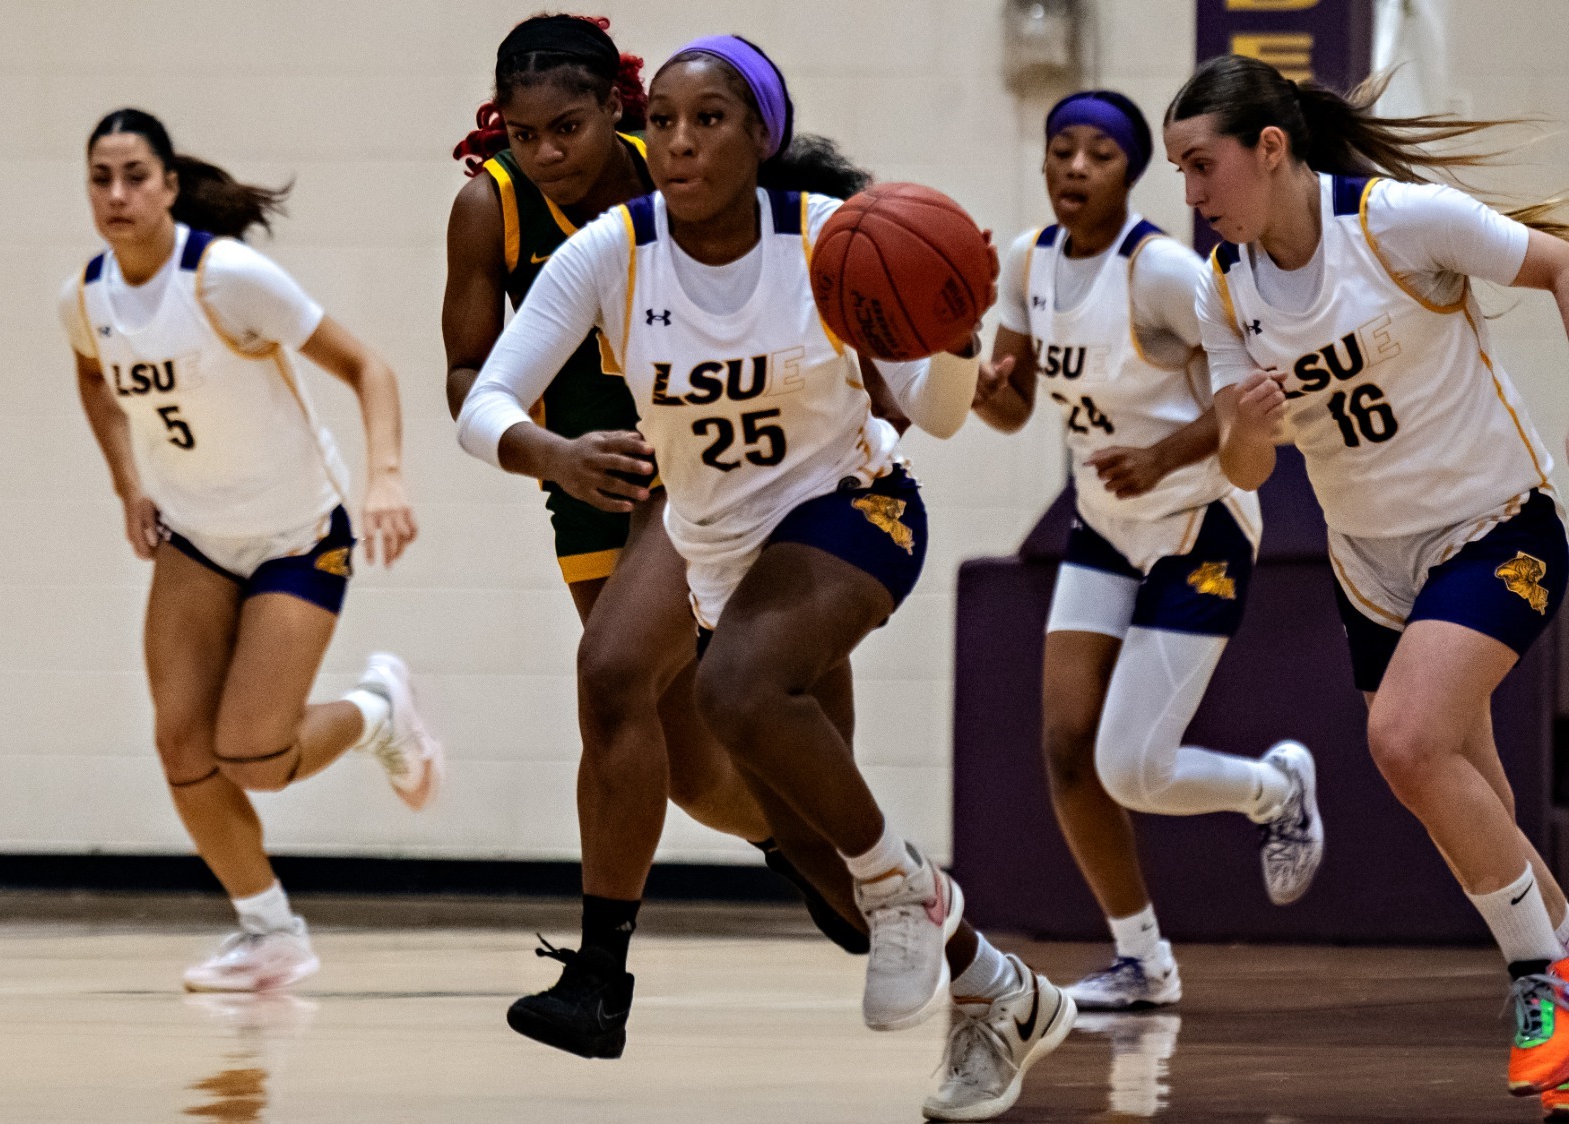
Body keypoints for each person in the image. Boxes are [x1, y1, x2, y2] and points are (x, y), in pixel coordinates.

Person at [461, 34, 1071, 1120]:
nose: (680, 140)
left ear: (760, 136)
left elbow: (931, 413)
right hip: (717, 553)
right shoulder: (611, 250)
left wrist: (950, 340)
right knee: (803, 839)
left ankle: (898, 893)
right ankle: (998, 987)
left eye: (709, 119)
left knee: (730, 687)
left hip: (852, 513)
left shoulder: (833, 241)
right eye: (665, 121)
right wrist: (550, 452)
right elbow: (482, 403)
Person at [442, 14, 870, 1049]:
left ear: (616, 112)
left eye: (568, 128)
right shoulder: (487, 209)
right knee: (686, 768)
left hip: (723, 467)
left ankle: (601, 977)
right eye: (524, 133)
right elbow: (466, 377)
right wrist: (557, 453)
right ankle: (811, 852)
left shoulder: (679, 174)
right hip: (590, 478)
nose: (545, 153)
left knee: (619, 674)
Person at [1166, 53, 1569, 1100]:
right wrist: (1245, 432)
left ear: (1268, 149)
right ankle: (1556, 950)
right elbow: (1243, 468)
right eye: (1177, 172)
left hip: (1491, 524)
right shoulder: (1221, 290)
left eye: (1201, 166)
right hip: (1369, 566)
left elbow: (1559, 260)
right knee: (1466, 793)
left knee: (1401, 740)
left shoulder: (1397, 223)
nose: (1190, 195)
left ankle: (1544, 977)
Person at [64, 108, 439, 992]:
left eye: (133, 176)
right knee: (180, 749)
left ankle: (378, 711)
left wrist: (385, 474)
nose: (116, 195)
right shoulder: (86, 298)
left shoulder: (225, 278)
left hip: (297, 535)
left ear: (167, 186)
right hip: (193, 538)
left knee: (255, 760)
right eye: (100, 178)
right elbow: (91, 375)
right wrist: (129, 485)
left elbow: (368, 368)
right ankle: (269, 933)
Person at [972, 89, 1322, 1011]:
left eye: (1100, 154)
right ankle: (1142, 961)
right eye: (1062, 150)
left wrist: (1162, 454)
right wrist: (971, 376)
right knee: (1065, 750)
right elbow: (1009, 413)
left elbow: (1241, 401)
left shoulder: (1166, 273)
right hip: (1103, 521)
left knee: (1134, 767)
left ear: (1131, 172)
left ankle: (1274, 786)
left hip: (1197, 523)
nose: (1076, 168)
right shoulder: (1026, 262)